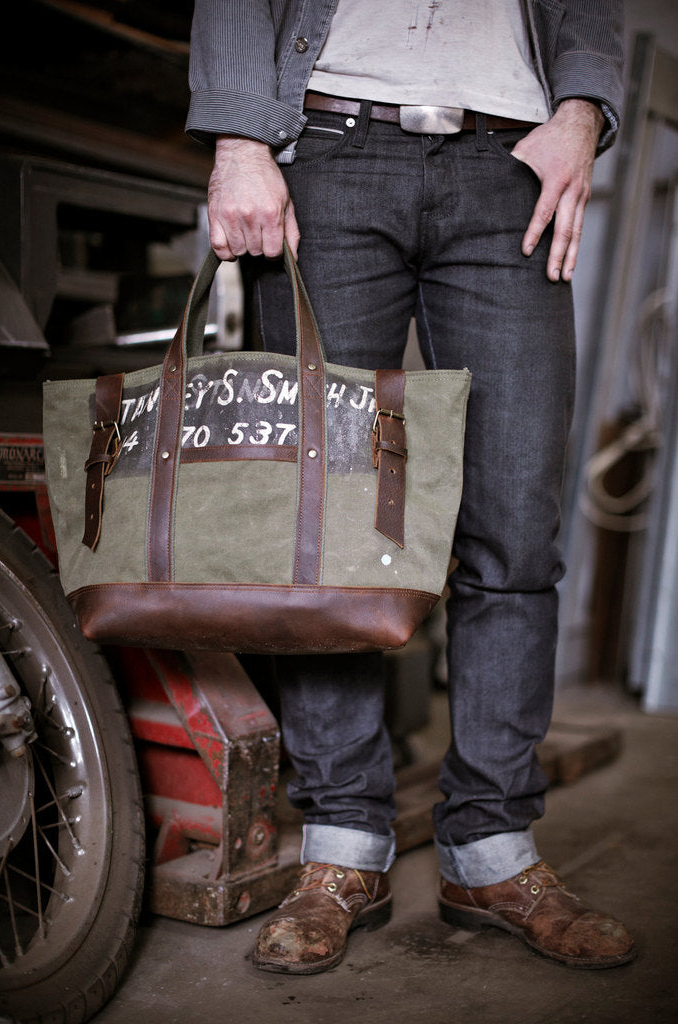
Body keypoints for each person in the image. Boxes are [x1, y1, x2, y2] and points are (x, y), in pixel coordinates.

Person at [186, 0, 635, 974]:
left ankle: (490, 850)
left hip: (506, 163)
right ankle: (343, 846)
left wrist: (582, 108)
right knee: (325, 528)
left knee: (513, 521)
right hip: (327, 144)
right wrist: (236, 139)